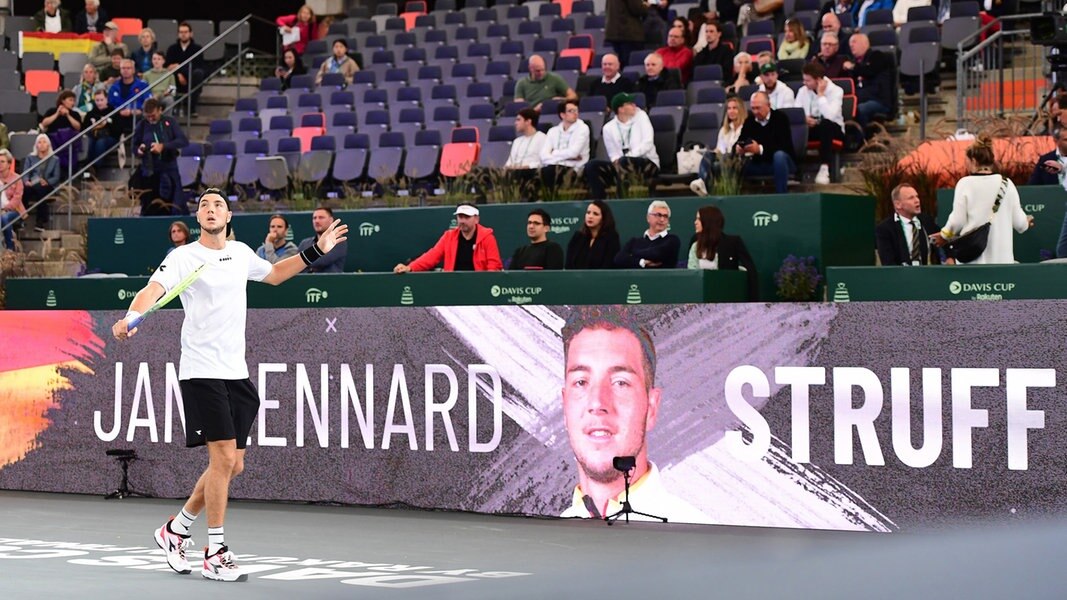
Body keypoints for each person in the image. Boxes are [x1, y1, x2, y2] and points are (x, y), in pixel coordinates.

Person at [112, 189, 346, 582]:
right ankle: (215, 550)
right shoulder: (183, 257)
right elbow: (151, 292)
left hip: (235, 371)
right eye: (203, 205)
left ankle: (176, 530)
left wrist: (315, 252)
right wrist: (130, 316)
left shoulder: (239, 254)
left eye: (217, 204)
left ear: (229, 214)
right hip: (201, 371)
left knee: (233, 464)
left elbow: (274, 275)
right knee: (221, 460)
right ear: (198, 217)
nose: (210, 209)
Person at [559, 306, 710, 523]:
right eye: (581, 382)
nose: (597, 403)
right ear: (565, 406)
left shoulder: (699, 535)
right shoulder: (538, 544)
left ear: (651, 407)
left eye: (620, 383)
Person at [931, 137, 1034, 265]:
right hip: (1002, 264)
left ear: (973, 161)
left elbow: (957, 221)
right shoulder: (1007, 184)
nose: (966, 164)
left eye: (966, 160)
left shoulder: (965, 184)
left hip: (973, 263)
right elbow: (1020, 224)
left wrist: (944, 236)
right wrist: (1027, 221)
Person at [584, 93, 660, 201]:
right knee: (592, 166)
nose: (635, 105)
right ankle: (600, 201)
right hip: (621, 166)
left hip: (647, 163)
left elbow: (648, 143)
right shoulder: (608, 128)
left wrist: (628, 157)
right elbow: (613, 154)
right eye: (630, 103)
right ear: (621, 109)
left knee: (624, 162)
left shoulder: (641, 116)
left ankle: (621, 201)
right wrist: (618, 161)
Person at [394, 204, 503, 273]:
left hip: (479, 287)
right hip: (453, 285)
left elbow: (494, 267)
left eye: (467, 217)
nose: (462, 221)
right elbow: (432, 256)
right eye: (460, 217)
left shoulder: (488, 238)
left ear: (476, 219)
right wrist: (410, 267)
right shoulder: (449, 237)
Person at [132, 98, 188, 216]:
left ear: (160, 110)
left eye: (153, 115)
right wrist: (139, 150)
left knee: (176, 202)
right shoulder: (142, 125)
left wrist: (163, 146)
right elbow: (134, 146)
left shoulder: (170, 122)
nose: (150, 119)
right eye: (148, 116)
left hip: (169, 167)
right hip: (149, 170)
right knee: (150, 205)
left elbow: (183, 141)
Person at [688, 206, 758, 298]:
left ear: (708, 222)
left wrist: (753, 302)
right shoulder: (695, 243)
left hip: (727, 297)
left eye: (699, 219)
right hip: (700, 296)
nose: (695, 222)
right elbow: (691, 271)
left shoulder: (732, 243)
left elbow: (751, 271)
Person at [736, 91, 796, 194]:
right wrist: (738, 148)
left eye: (758, 108)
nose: (755, 112)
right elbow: (741, 140)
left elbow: (784, 146)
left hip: (781, 163)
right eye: (753, 108)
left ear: (768, 105)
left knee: (779, 156)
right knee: (732, 163)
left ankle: (781, 197)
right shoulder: (749, 121)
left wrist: (760, 149)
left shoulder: (780, 118)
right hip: (758, 164)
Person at [795, 62, 844, 185]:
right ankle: (794, 170)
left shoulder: (836, 91)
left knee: (825, 125)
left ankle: (824, 167)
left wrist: (821, 95)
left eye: (808, 80)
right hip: (810, 127)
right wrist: (804, 119)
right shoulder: (803, 91)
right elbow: (796, 112)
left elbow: (830, 116)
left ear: (818, 80)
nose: (804, 83)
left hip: (833, 128)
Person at [690, 95, 749, 196]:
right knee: (708, 155)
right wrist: (713, 152)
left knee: (717, 165)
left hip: (739, 160)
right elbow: (719, 149)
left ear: (741, 110)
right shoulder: (724, 130)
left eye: (734, 108)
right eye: (729, 108)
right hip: (724, 159)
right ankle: (701, 181)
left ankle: (705, 186)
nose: (731, 111)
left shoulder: (747, 127)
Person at [875, 183, 944, 266]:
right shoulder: (885, 229)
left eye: (917, 196)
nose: (917, 200)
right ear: (898, 204)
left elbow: (943, 238)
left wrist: (949, 257)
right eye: (911, 198)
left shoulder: (926, 221)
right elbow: (888, 261)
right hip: (901, 276)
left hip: (928, 274)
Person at [540, 99, 591, 199]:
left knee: (549, 171)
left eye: (576, 110)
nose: (575, 113)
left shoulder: (583, 128)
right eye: (571, 111)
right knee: (541, 172)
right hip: (553, 167)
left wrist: (553, 153)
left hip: (574, 169)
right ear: (562, 115)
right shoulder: (552, 131)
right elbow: (543, 156)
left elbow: (574, 153)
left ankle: (550, 201)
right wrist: (565, 157)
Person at [841, 33, 894, 128]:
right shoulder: (854, 62)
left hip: (878, 100)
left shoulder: (877, 56)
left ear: (865, 43)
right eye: (850, 43)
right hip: (861, 99)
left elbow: (869, 71)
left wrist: (853, 67)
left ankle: (862, 139)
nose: (851, 45)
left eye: (854, 42)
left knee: (860, 109)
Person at [615, 200, 680, 269]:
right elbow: (618, 259)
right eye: (658, 215)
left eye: (665, 216)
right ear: (648, 217)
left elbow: (657, 255)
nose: (662, 219)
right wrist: (642, 262)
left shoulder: (672, 240)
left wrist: (632, 253)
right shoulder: (634, 242)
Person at [503, 108, 548, 201]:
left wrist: (526, 166)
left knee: (524, 174)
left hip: (531, 172)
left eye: (519, 120)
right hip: (514, 172)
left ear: (528, 121)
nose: (515, 123)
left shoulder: (543, 138)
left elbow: (544, 162)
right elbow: (509, 162)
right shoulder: (517, 141)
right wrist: (508, 167)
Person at [566, 200, 622, 269]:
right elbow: (569, 264)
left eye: (595, 214)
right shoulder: (578, 237)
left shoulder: (611, 238)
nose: (590, 216)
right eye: (588, 213)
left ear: (603, 218)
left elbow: (609, 265)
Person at [22, 134, 61, 232]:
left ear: (48, 145)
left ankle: (40, 221)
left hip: (47, 185)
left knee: (41, 189)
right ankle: (21, 218)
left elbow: (56, 177)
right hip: (32, 184)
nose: (42, 144)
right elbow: (25, 173)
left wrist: (47, 181)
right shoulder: (30, 158)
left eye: (44, 142)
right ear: (36, 145)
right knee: (24, 189)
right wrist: (26, 181)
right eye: (39, 142)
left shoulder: (55, 159)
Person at [165, 22, 205, 117]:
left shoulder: (197, 48)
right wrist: (179, 74)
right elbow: (169, 66)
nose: (183, 34)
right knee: (170, 75)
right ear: (178, 34)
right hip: (176, 79)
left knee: (198, 74)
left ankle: (191, 108)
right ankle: (172, 109)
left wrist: (179, 67)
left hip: (191, 78)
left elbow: (198, 65)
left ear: (191, 33)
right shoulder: (172, 48)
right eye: (181, 32)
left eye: (186, 32)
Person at [297, 206, 349, 273]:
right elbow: (297, 265)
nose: (317, 221)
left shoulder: (338, 241)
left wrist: (302, 262)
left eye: (321, 217)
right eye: (314, 218)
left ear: (331, 220)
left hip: (330, 282)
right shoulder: (304, 243)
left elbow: (322, 261)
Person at [108, 59, 149, 135]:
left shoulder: (143, 85)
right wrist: (119, 111)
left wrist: (133, 111)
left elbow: (148, 103)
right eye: (123, 68)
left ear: (133, 70)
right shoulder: (114, 87)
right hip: (118, 118)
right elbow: (110, 105)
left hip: (137, 117)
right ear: (120, 70)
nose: (125, 70)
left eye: (128, 68)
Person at [605, 0, 647, 67]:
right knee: (631, 66)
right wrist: (647, 5)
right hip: (629, 33)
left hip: (614, 32)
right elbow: (637, 8)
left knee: (621, 65)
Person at [0, 149, 27, 251]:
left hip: (14, 210)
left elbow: (17, 198)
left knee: (4, 218)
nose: (0, 164)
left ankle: (10, 249)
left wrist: (5, 208)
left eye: (2, 162)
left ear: (9, 164)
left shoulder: (16, 178)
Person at [84, 89, 118, 166]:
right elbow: (84, 128)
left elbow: (118, 130)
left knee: (100, 143)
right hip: (93, 136)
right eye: (97, 100)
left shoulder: (113, 112)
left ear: (106, 99)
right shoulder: (91, 113)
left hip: (110, 136)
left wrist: (106, 124)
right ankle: (86, 166)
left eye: (101, 100)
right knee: (89, 141)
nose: (99, 103)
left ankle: (95, 167)